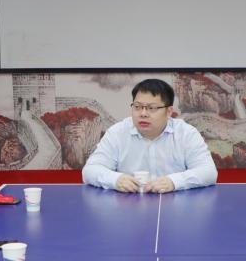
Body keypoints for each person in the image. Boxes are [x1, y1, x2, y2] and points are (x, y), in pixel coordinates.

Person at [82, 78, 217, 193]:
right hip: (129, 205)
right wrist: (115, 179)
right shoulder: (117, 133)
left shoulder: (186, 133)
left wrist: (174, 181)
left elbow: (208, 172)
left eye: (152, 108)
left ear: (169, 111)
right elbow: (90, 170)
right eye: (137, 107)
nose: (143, 114)